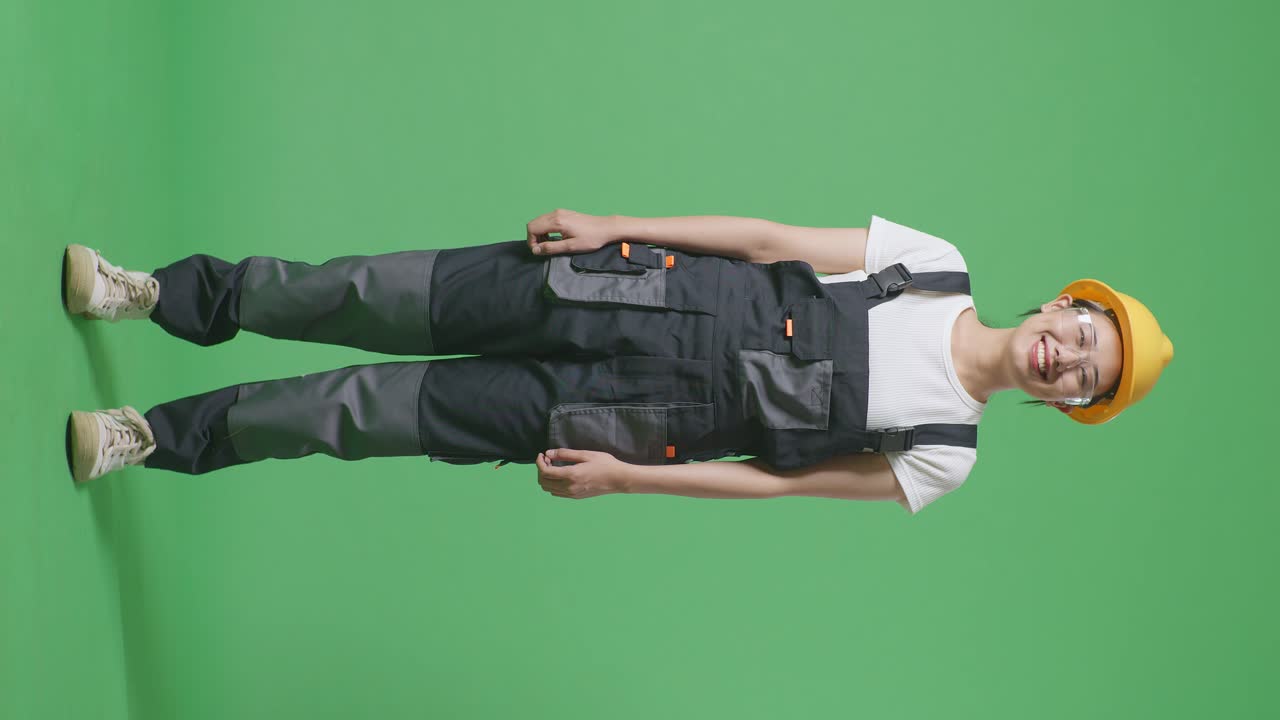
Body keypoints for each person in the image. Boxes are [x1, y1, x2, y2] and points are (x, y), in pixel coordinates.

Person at [61, 209, 1174, 514]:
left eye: (1084, 375)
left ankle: (150, 438)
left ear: (1066, 403)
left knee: (366, 411)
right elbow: (765, 242)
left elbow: (772, 484)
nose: (1065, 357)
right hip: (615, 283)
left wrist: (628, 476)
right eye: (1081, 333)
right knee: (363, 291)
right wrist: (612, 222)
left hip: (619, 418)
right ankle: (157, 294)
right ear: (1059, 303)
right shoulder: (933, 263)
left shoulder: (942, 453)